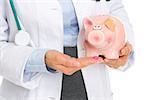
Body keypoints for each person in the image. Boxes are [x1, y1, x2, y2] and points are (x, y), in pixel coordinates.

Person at [0, 0, 134, 100]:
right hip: (33, 86)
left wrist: (120, 45)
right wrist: (40, 59)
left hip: (93, 80)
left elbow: (115, 7)